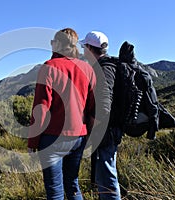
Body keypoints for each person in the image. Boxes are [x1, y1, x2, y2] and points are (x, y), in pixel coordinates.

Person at [28, 28, 96, 200]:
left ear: (58, 44)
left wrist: (33, 141)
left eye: (52, 42)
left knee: (55, 190)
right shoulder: (87, 69)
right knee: (73, 185)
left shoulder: (49, 67)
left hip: (53, 138)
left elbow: (41, 108)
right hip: (79, 137)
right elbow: (93, 107)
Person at [79, 31, 123, 200]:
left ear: (90, 48)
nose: (83, 50)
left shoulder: (104, 69)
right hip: (109, 130)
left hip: (106, 132)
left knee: (107, 177)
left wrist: (93, 127)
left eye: (84, 47)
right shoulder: (108, 66)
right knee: (104, 175)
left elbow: (104, 105)